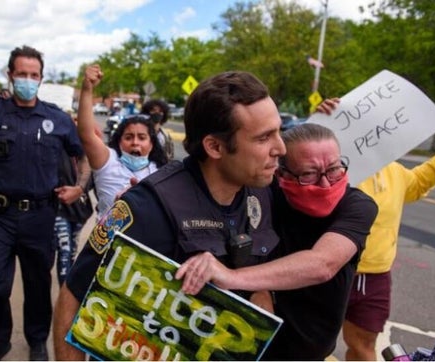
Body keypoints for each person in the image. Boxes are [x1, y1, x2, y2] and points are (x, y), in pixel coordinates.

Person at [53, 70, 287, 360]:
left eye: (279, 131)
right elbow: (74, 294)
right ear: (214, 146)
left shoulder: (263, 187)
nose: (281, 148)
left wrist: (258, 294)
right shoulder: (147, 206)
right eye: (264, 138)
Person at [0, 4, 86, 361]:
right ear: (10, 75)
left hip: (40, 216)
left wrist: (80, 186)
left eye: (34, 73)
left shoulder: (57, 119)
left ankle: (37, 341)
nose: (28, 78)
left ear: (41, 78)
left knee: (39, 285)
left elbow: (82, 153)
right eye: (21, 72)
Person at [176, 123, 378, 360]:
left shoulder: (357, 206)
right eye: (309, 174)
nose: (325, 184)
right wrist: (146, 205)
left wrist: (233, 278)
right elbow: (211, 201)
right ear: (280, 173)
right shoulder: (261, 193)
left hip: (305, 352)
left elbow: (323, 264)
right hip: (239, 343)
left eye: (334, 169)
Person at [316, 99, 435, 361]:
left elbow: (419, 182)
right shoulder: (329, 168)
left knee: (363, 346)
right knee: (314, 345)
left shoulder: (395, 171)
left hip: (375, 278)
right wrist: (318, 122)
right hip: (331, 271)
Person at [75, 64, 168, 217]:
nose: (135, 142)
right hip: (107, 240)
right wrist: (87, 89)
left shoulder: (161, 172)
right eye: (128, 137)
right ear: (119, 141)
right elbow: (86, 134)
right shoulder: (107, 161)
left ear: (152, 143)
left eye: (142, 137)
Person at [53, 112, 94, 285]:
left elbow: (92, 181)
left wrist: (79, 189)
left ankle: (66, 297)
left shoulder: (87, 150)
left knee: (71, 253)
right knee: (64, 249)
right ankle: (65, 294)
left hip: (79, 211)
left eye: (77, 120)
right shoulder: (54, 147)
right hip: (59, 208)